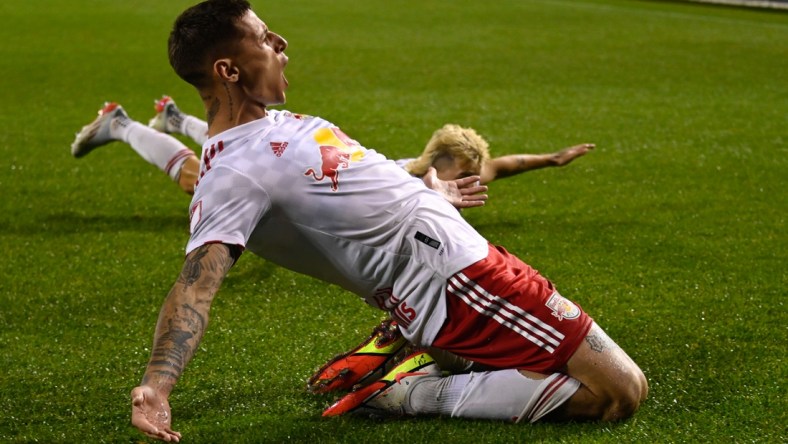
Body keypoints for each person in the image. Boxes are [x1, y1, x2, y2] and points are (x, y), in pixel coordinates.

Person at [129, 1, 647, 442]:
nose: (282, 42)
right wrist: (158, 385)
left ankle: (427, 350)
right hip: (457, 281)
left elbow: (360, 185)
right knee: (620, 392)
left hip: (454, 269)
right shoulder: (234, 175)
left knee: (547, 367)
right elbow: (195, 286)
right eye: (265, 38)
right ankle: (409, 393)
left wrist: (432, 191)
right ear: (228, 70)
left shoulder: (281, 125)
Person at [71, 97, 594, 194]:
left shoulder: (463, 175)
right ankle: (119, 125)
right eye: (460, 173)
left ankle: (174, 118)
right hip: (312, 173)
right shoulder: (406, 180)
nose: (467, 183)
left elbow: (505, 164)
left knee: (229, 147)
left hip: (312, 170)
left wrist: (554, 158)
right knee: (199, 178)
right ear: (437, 161)